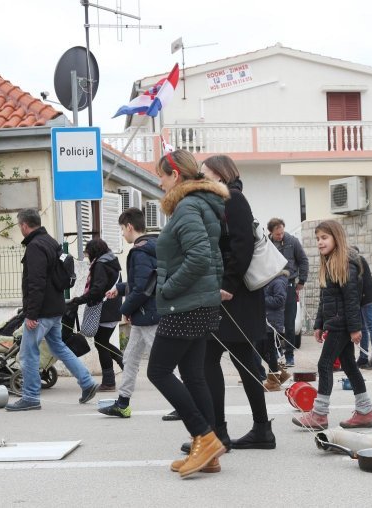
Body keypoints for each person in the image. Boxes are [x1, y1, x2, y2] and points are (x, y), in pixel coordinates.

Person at [145, 149, 229, 477]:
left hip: (186, 304)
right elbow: (213, 256)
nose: (159, 181)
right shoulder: (199, 204)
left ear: (176, 176)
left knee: (158, 371)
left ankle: (205, 438)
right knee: (193, 375)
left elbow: (199, 257)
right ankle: (210, 450)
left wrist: (167, 289)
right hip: (199, 302)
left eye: (162, 175)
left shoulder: (188, 207)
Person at [197, 154, 275, 450]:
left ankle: (223, 432)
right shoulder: (225, 199)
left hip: (234, 295)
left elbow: (242, 243)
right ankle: (256, 430)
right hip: (234, 295)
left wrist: (228, 285)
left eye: (205, 173)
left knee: (215, 360)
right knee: (238, 362)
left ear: (219, 174)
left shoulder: (234, 198)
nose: (202, 177)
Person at [6, 209, 99, 411]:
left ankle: (30, 396)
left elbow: (36, 282)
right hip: (56, 307)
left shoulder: (35, 247)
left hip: (42, 312)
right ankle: (87, 382)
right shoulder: (50, 242)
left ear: (24, 225)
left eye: (19, 226)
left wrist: (31, 314)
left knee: (28, 353)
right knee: (58, 347)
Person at [292, 220, 372, 430]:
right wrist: (319, 324)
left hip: (342, 324)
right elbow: (325, 298)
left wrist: (356, 329)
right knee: (348, 364)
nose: (320, 242)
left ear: (336, 238)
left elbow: (352, 300)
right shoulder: (329, 262)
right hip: (336, 323)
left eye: (324, 238)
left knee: (324, 364)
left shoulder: (345, 264)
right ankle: (365, 412)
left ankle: (319, 415)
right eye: (318, 238)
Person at [99, 207, 160, 418]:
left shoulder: (140, 251)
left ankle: (185, 403)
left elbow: (143, 288)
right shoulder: (153, 245)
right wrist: (121, 288)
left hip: (149, 315)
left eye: (122, 229)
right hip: (145, 315)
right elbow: (147, 281)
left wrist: (125, 309)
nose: (122, 234)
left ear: (129, 226)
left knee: (164, 362)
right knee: (130, 359)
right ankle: (122, 403)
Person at [69, 238, 124, 392]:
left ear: (94, 252)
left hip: (104, 308)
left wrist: (78, 300)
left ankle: (109, 382)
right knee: (102, 341)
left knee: (101, 343)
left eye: (88, 253)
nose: (87, 257)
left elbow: (97, 290)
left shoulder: (100, 264)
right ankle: (123, 361)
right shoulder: (112, 262)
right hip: (114, 307)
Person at [268, 217, 309, 367]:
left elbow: (304, 260)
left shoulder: (293, 241)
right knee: (273, 322)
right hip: (271, 284)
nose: (280, 236)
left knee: (289, 322)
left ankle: (290, 355)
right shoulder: (266, 243)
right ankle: (276, 353)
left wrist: (301, 281)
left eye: (282, 232)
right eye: (277, 234)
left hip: (289, 284)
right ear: (271, 232)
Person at [353, 248, 372, 370]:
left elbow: (359, 281)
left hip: (367, 297)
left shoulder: (357, 260)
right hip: (361, 298)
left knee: (371, 326)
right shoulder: (357, 260)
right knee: (363, 328)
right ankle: (363, 358)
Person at [263, 270, 291, 391]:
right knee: (262, 349)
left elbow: (279, 301)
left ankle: (273, 382)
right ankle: (280, 374)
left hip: (273, 322)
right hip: (268, 321)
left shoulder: (278, 282)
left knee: (269, 351)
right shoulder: (272, 281)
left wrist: (262, 298)